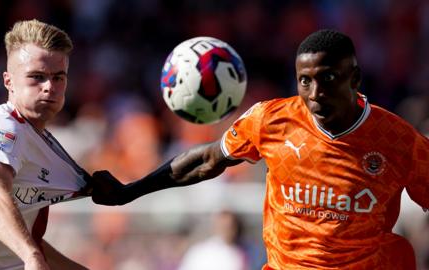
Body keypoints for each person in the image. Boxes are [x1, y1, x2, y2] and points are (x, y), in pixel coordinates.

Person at [91, 29, 429, 269]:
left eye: (327, 79)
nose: (314, 94)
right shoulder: (272, 120)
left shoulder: (397, 140)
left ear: (354, 78)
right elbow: (209, 160)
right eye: (304, 80)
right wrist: (130, 191)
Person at [0, 19, 91, 269]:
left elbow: (25, 241)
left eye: (59, 78)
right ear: (8, 81)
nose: (50, 87)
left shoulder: (40, 141)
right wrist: (31, 256)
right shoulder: (1, 127)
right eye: (37, 77)